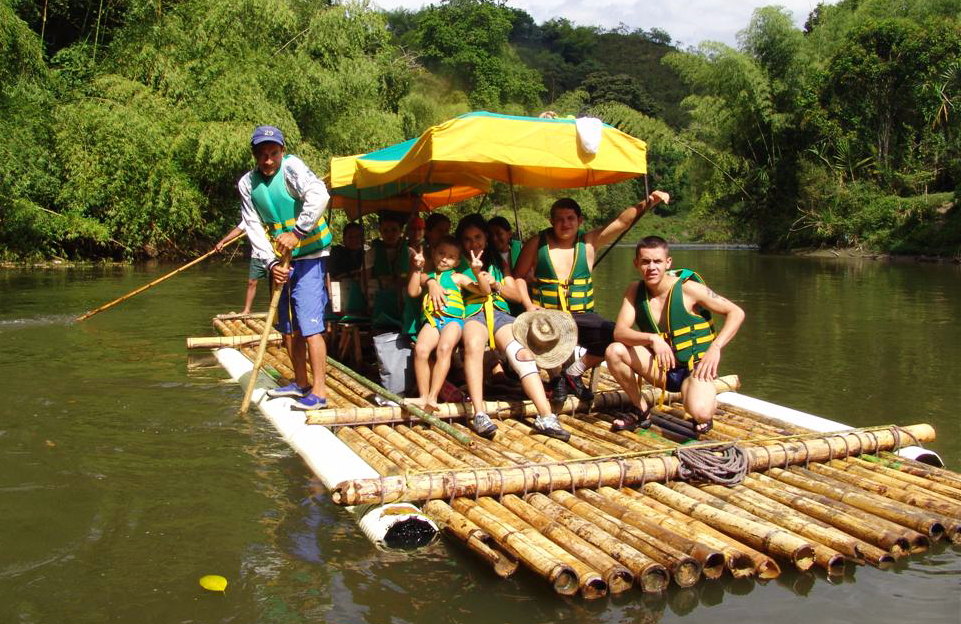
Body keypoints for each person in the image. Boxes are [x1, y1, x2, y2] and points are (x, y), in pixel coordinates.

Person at [513, 192, 670, 404]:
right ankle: (558, 379)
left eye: (570, 218)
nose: (565, 224)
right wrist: (529, 305)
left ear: (580, 221)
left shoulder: (588, 242)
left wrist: (649, 202)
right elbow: (519, 277)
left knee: (617, 336)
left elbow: (622, 222)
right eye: (559, 219)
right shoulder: (536, 243)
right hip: (547, 317)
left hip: (582, 315)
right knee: (541, 337)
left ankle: (574, 372)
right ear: (551, 221)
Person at [605, 236, 745, 435]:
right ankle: (641, 409)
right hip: (662, 368)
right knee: (614, 351)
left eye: (657, 261)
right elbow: (620, 332)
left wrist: (715, 348)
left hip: (695, 369)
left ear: (668, 263)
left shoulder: (689, 289)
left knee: (700, 412)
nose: (651, 267)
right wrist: (652, 338)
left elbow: (736, 313)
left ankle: (702, 398)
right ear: (636, 263)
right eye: (645, 262)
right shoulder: (635, 291)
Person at [237, 125, 332, 410]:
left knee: (310, 326)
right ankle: (300, 383)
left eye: (273, 153)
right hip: (281, 260)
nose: (268, 161)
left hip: (310, 256)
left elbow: (319, 196)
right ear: (255, 155)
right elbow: (253, 227)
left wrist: (299, 232)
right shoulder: (247, 184)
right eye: (262, 155)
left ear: (282, 151)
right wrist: (272, 263)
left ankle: (319, 393)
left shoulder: (292, 168)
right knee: (288, 328)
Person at [455, 214, 570, 440]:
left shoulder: (498, 261)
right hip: (472, 314)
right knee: (473, 345)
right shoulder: (457, 260)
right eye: (467, 239)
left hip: (499, 313)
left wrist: (496, 284)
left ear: (486, 239)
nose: (473, 243)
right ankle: (479, 412)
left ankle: (546, 415)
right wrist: (477, 279)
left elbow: (516, 295)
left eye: (478, 237)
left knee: (522, 354)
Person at [407, 236, 489, 411]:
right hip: (432, 320)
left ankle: (433, 397)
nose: (444, 259)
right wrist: (416, 268)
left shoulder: (458, 277)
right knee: (421, 350)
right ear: (434, 253)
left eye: (451, 256)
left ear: (457, 261)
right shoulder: (426, 276)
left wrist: (476, 272)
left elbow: (484, 290)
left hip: (453, 321)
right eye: (441, 253)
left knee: (444, 349)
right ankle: (422, 396)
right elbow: (413, 291)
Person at [366, 211, 416, 396]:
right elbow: (366, 278)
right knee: (382, 329)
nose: (389, 233)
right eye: (385, 230)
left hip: (404, 299)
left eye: (394, 230)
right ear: (380, 231)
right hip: (380, 299)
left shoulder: (410, 252)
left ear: (401, 231)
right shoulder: (372, 252)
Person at [214, 218, 274, 315]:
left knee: (275, 282)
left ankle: (276, 310)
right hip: (257, 254)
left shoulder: (269, 214)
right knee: (251, 282)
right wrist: (222, 242)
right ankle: (247, 310)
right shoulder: (250, 216)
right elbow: (238, 230)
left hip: (274, 253)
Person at [328, 221, 366, 318]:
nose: (354, 240)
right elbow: (333, 275)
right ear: (344, 239)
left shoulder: (366, 254)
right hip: (341, 293)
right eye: (351, 237)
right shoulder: (337, 252)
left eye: (358, 237)